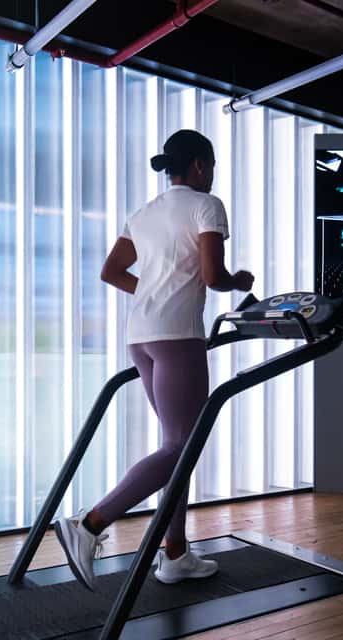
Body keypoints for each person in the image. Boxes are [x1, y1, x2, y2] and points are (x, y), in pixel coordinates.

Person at [54, 129, 254, 590]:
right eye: (213, 166)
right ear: (201, 165)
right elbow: (213, 275)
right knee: (180, 447)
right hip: (178, 336)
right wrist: (238, 280)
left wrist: (152, 292)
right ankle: (89, 525)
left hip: (139, 336)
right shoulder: (208, 205)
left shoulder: (143, 214)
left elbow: (111, 272)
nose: (213, 174)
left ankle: (176, 554)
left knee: (173, 446)